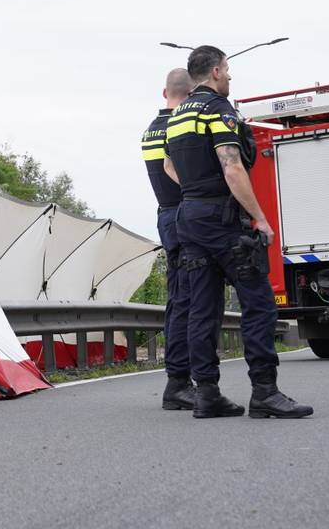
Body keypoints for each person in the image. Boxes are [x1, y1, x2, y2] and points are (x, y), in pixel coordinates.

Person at [162, 46, 312, 419]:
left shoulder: (177, 115)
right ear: (215, 71)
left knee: (202, 308)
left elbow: (168, 165)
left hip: (189, 218)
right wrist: (259, 217)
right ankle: (265, 393)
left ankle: (208, 394)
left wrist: (195, 193)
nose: (229, 76)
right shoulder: (218, 109)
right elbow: (232, 167)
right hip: (223, 218)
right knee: (258, 302)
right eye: (227, 70)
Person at [143, 68, 196, 410]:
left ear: (165, 93)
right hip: (185, 214)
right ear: (190, 95)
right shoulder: (181, 127)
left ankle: (182, 379)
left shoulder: (150, 131)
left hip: (166, 215)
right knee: (187, 302)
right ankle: (178, 381)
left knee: (180, 300)